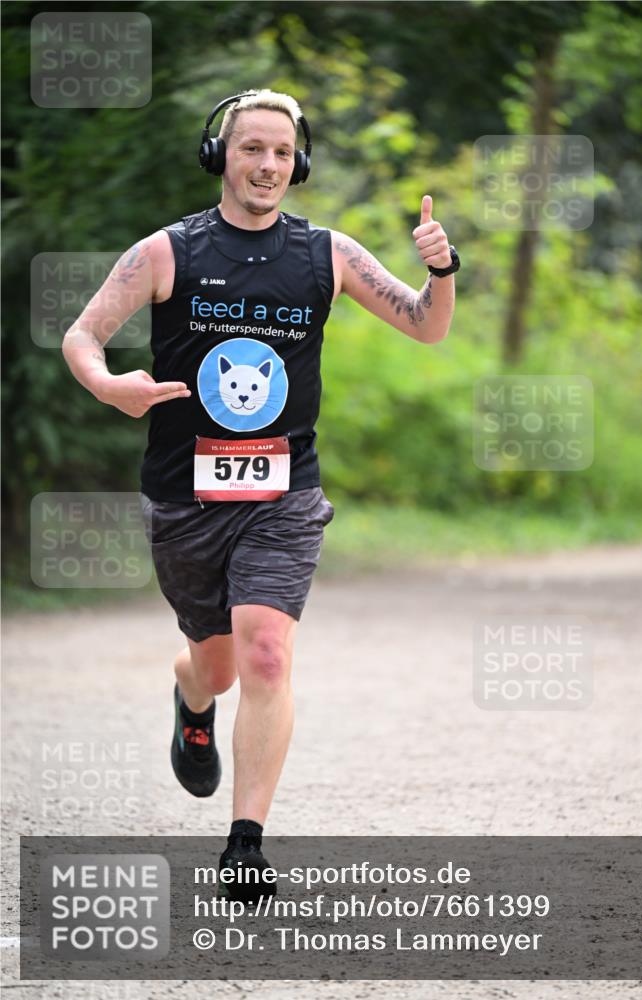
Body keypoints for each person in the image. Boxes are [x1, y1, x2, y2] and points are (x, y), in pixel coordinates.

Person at [62, 89, 457, 899]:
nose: (268, 166)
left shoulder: (328, 256)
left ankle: (245, 844)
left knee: (267, 653)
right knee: (218, 664)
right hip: (184, 498)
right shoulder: (168, 253)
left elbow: (426, 325)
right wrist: (110, 388)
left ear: (299, 162)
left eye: (282, 152)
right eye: (252, 149)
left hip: (284, 494)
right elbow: (82, 335)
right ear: (222, 155)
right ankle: (190, 695)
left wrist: (441, 269)